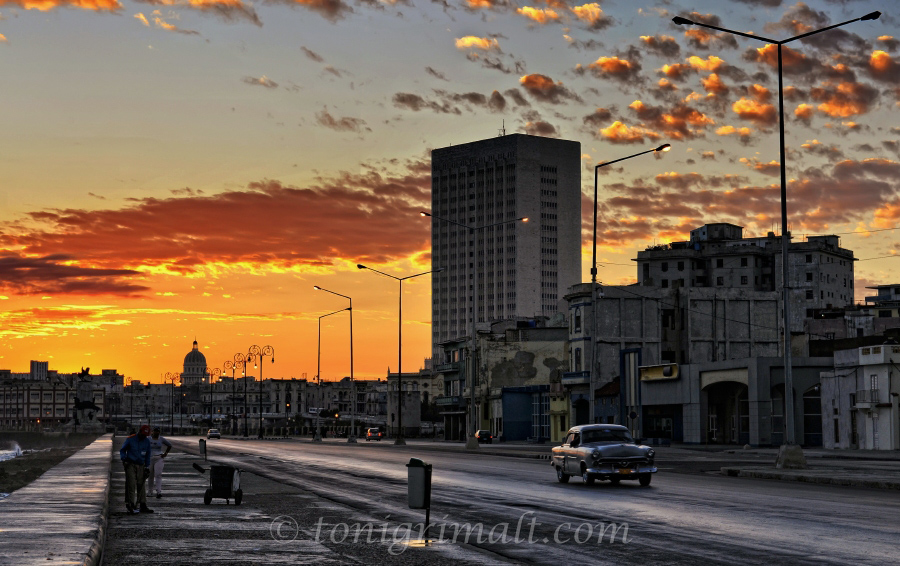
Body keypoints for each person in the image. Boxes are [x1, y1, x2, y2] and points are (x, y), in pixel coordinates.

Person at [120, 424, 153, 513]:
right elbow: (122, 450)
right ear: (140, 432)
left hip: (141, 465)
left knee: (141, 485)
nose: (144, 437)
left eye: (146, 435)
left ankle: (142, 504)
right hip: (130, 464)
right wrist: (124, 459)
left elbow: (148, 455)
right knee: (131, 484)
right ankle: (130, 504)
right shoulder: (131, 439)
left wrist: (147, 466)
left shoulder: (146, 441)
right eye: (143, 435)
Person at [147, 427, 172, 499]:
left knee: (158, 474)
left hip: (159, 457)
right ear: (152, 432)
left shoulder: (161, 439)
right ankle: (150, 491)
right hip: (150, 458)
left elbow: (169, 445)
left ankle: (159, 491)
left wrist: (166, 453)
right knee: (150, 476)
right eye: (155, 431)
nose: (156, 433)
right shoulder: (148, 439)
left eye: (158, 431)